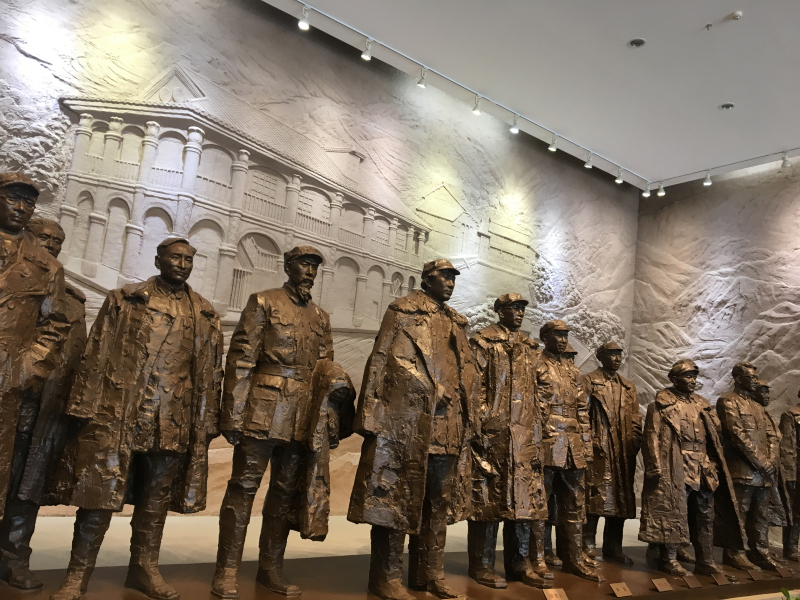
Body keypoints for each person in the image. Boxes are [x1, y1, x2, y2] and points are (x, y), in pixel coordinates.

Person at [50, 237, 223, 600]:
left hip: (172, 416)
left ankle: (144, 568)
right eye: (176, 257)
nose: (182, 264)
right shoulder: (124, 300)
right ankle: (77, 575)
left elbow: (211, 374)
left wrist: (206, 423)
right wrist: (82, 406)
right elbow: (96, 351)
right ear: (159, 260)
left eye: (189, 259)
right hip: (119, 411)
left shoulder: (205, 314)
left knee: (155, 499)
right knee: (98, 495)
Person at [348, 259, 478, 600]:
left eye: (453, 278)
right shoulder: (403, 310)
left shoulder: (456, 322)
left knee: (438, 501)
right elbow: (384, 359)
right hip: (405, 422)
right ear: (427, 279)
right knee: (395, 496)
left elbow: (467, 372)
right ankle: (386, 577)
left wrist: (468, 417)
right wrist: (428, 389)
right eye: (444, 277)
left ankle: (430, 573)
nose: (450, 283)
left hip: (447, 426)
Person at [212, 246, 337, 599]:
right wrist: (232, 414)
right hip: (262, 410)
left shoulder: (321, 317)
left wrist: (326, 419)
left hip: (301, 415)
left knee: (284, 493)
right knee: (243, 489)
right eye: (304, 265)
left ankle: (271, 568)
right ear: (288, 266)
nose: (309, 272)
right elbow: (241, 359)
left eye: (314, 267)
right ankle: (226, 570)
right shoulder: (263, 301)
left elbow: (325, 371)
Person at [0, 218, 85, 590]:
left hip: (42, 409)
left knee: (27, 488)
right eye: (44, 237)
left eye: (58, 240)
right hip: (7, 398)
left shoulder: (74, 302)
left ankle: (14, 558)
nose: (51, 244)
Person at [467, 293, 550, 589]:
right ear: (500, 312)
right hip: (494, 435)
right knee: (487, 503)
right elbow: (474, 386)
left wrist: (537, 427)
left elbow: (539, 391)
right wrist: (484, 422)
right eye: (515, 308)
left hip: (525, 435)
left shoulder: (530, 347)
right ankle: (481, 565)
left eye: (522, 309)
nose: (520, 313)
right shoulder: (483, 342)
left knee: (524, 503)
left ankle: (520, 563)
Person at [639, 359, 742, 580]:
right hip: (675, 463)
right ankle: (669, 559)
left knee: (705, 514)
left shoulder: (702, 405)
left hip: (702, 466)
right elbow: (651, 437)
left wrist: (713, 462)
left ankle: (706, 561)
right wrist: (655, 466)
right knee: (675, 512)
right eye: (687, 376)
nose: (693, 380)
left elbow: (715, 436)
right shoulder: (660, 405)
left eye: (694, 376)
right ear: (674, 379)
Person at [535, 320, 601, 582]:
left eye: (566, 335)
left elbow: (583, 411)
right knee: (540, 504)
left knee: (574, 504)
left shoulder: (573, 371)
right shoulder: (535, 365)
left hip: (573, 445)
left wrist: (586, 446)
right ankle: (538, 558)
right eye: (558, 335)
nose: (563, 340)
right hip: (548, 443)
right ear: (545, 337)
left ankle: (573, 559)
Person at [718, 362, 783, 571]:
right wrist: (762, 462)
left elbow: (772, 435)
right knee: (739, 513)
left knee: (761, 514)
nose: (755, 381)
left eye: (756, 377)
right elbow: (737, 435)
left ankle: (760, 551)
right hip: (743, 469)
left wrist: (771, 459)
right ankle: (735, 552)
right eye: (751, 378)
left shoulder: (757, 406)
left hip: (764, 473)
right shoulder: (728, 401)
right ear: (738, 379)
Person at [582, 342, 642, 566]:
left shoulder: (628, 387)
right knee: (595, 496)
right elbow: (582, 414)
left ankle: (614, 546)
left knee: (620, 500)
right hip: (599, 448)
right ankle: (587, 544)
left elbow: (635, 419)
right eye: (612, 354)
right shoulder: (588, 381)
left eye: (619, 355)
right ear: (601, 357)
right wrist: (589, 443)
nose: (617, 359)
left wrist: (633, 443)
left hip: (623, 450)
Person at [781, 388, 800, 561]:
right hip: (797, 470)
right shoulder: (791, 415)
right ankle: (791, 546)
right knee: (795, 510)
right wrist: (790, 474)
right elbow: (787, 447)